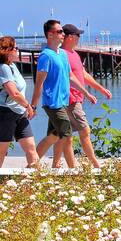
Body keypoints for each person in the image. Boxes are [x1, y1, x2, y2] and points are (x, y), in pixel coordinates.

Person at [30, 20, 96, 169]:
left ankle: (31, 166)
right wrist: (33, 106)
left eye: (63, 31)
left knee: (53, 136)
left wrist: (86, 93)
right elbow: (39, 83)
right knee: (67, 135)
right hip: (53, 103)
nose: (63, 34)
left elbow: (71, 77)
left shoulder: (62, 54)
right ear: (50, 34)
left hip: (64, 102)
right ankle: (74, 170)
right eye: (59, 31)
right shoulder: (46, 56)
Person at [51, 23, 112, 169]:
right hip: (70, 99)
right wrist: (87, 93)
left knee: (65, 135)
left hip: (77, 98)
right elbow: (67, 77)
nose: (79, 38)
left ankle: (57, 164)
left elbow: (83, 75)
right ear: (71, 37)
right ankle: (95, 164)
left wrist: (101, 89)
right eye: (78, 35)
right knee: (84, 130)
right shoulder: (62, 54)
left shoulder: (74, 54)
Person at [0, 36, 39, 168]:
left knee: (31, 147)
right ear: (7, 50)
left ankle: (36, 179)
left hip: (19, 112)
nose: (17, 50)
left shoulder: (12, 66)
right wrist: (28, 106)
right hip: (4, 113)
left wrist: (26, 108)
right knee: (2, 148)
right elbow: (14, 93)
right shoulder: (2, 68)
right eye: (15, 48)